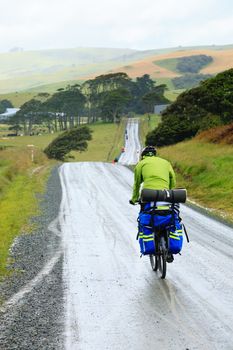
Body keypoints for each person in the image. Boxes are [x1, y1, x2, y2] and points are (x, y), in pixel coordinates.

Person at [129, 145, 176, 263]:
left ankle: (152, 244)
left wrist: (134, 199)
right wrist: (170, 192)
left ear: (143, 156)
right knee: (169, 216)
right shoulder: (165, 162)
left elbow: (137, 184)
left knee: (147, 215)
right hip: (166, 195)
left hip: (148, 196)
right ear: (155, 154)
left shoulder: (141, 164)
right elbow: (172, 178)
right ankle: (169, 247)